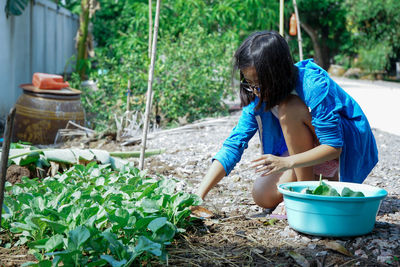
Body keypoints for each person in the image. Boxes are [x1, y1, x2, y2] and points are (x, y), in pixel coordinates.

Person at [196, 31, 378, 210]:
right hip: (305, 153)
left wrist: (286, 162)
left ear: (278, 74)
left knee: (288, 108)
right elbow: (234, 144)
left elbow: (333, 146)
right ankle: (315, 184)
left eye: (259, 83)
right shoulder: (257, 98)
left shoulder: (312, 85)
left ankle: (305, 193)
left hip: (343, 151)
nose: (255, 90)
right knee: (262, 196)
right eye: (249, 83)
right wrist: (198, 195)